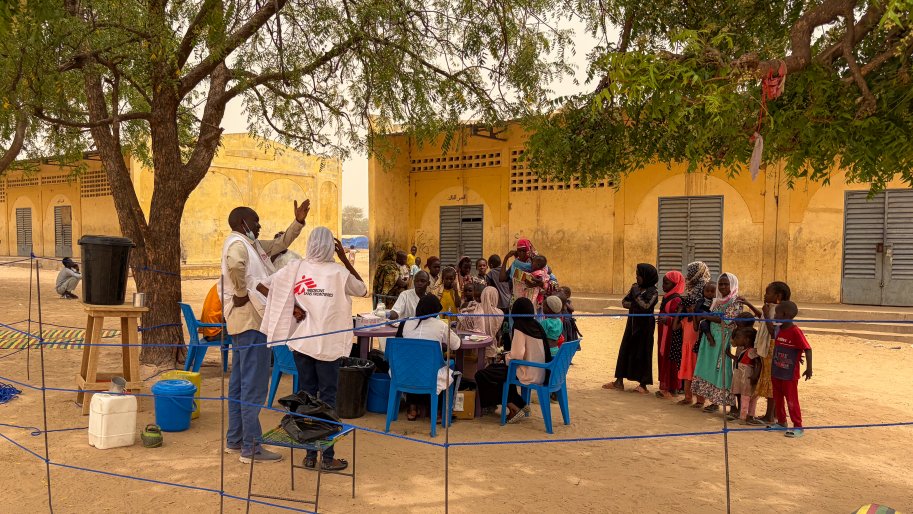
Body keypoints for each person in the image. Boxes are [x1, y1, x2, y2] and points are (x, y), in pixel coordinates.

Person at [259, 227, 366, 470]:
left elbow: (263, 287)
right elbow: (362, 289)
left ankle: (309, 455)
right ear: (332, 246)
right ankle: (327, 458)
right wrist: (344, 260)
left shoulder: (295, 268)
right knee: (327, 401)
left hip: (302, 345)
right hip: (327, 348)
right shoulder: (339, 272)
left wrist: (293, 307)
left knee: (306, 398)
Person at [221, 200, 309, 464]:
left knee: (239, 384)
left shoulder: (253, 246)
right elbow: (236, 266)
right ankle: (252, 447)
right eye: (256, 223)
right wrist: (239, 293)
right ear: (243, 223)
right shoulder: (238, 244)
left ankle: (235, 440)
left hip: (245, 324)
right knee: (254, 385)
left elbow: (280, 244)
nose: (259, 227)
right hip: (250, 322)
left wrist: (298, 222)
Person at [475, 297, 548, 423]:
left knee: (482, 375)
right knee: (495, 370)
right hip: (540, 370)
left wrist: (505, 357)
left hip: (526, 371)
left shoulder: (520, 326)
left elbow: (517, 355)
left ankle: (513, 406)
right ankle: (521, 404)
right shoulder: (536, 324)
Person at [395, 294, 460, 421]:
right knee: (450, 367)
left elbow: (399, 346)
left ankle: (412, 408)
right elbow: (456, 345)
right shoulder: (440, 325)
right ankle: (438, 411)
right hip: (430, 375)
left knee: (414, 364)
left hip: (404, 373)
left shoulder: (405, 323)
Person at [740, 281, 791, 423]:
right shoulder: (769, 308)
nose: (764, 295)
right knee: (768, 381)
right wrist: (750, 304)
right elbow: (760, 317)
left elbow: (773, 332)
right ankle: (772, 414)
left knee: (771, 383)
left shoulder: (779, 311)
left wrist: (767, 314)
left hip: (772, 348)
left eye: (768, 292)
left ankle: (770, 415)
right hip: (765, 349)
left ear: (778, 296)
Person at [603, 263, 659, 394]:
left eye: (639, 275)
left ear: (647, 276)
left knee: (643, 352)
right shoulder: (635, 287)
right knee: (625, 350)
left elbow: (646, 307)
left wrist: (636, 297)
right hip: (632, 324)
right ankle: (619, 381)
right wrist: (635, 300)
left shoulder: (653, 292)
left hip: (645, 327)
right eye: (636, 275)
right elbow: (624, 302)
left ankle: (643, 384)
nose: (637, 277)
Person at [691, 273, 741, 413]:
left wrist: (704, 315)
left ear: (733, 285)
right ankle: (714, 401)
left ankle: (733, 406)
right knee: (709, 369)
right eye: (721, 284)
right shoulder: (717, 300)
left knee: (723, 371)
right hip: (710, 339)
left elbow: (726, 320)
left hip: (723, 341)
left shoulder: (735, 302)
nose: (723, 287)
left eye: (726, 284)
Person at [768, 300, 813, 438]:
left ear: (785, 314)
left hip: (789, 374)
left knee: (792, 400)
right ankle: (781, 422)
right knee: (778, 398)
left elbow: (807, 348)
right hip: (776, 371)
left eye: (777, 313)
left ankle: (798, 426)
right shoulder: (780, 329)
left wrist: (809, 368)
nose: (775, 316)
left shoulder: (795, 331)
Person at [677, 262, 712, 405]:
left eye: (690, 272)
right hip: (688, 331)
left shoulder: (703, 289)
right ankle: (688, 395)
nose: (688, 276)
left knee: (697, 366)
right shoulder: (694, 288)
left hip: (698, 333)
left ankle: (699, 399)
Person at [656, 270, 685, 399]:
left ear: (675, 284)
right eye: (663, 283)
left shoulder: (677, 299)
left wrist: (667, 320)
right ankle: (665, 385)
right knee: (663, 357)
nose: (663, 286)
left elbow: (680, 320)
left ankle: (672, 388)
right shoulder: (667, 297)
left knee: (671, 359)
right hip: (664, 333)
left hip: (672, 335)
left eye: (667, 283)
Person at [726, 325, 761, 424]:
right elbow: (740, 361)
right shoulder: (745, 351)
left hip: (747, 379)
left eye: (738, 337)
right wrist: (730, 355)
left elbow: (758, 363)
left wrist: (755, 375)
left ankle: (744, 418)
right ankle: (748, 416)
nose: (736, 340)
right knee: (747, 398)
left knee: (746, 398)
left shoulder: (751, 351)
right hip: (743, 378)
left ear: (746, 339)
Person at [373, 242, 407, 308]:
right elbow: (400, 283)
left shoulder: (381, 265)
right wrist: (408, 283)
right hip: (389, 302)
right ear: (392, 252)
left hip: (379, 299)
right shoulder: (391, 267)